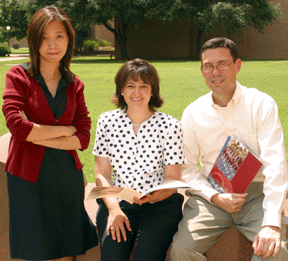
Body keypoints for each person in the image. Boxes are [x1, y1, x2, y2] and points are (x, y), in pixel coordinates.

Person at [170, 37, 288, 260]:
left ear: (238, 65)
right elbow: (185, 168)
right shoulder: (193, 113)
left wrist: (272, 222)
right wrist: (214, 196)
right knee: (181, 250)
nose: (215, 72)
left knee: (276, 251)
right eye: (208, 66)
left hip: (256, 194)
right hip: (210, 197)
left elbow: (276, 163)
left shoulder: (261, 104)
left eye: (223, 63)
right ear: (202, 70)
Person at [2, 5, 98, 261]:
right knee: (36, 251)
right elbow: (18, 128)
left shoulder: (74, 83)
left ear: (68, 40)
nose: (52, 44)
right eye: (44, 37)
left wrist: (41, 134)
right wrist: (64, 131)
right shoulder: (18, 76)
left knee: (64, 252)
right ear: (34, 41)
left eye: (59, 36)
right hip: (28, 178)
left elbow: (85, 137)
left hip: (66, 177)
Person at [93, 58, 185, 261]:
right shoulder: (107, 121)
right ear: (121, 90)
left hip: (159, 205)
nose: (137, 93)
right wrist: (114, 209)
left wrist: (156, 195)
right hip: (118, 200)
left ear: (153, 91)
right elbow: (101, 174)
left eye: (144, 86)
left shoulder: (170, 126)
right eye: (130, 86)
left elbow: (173, 178)